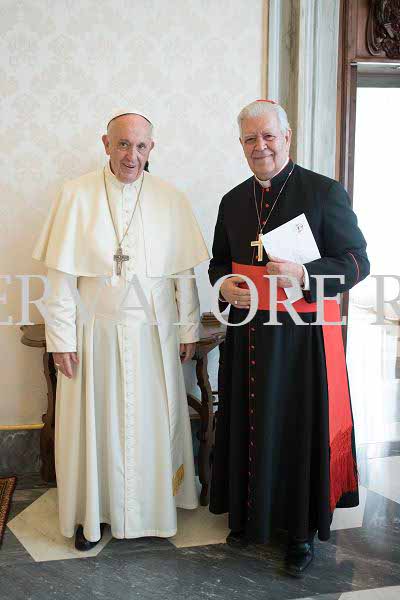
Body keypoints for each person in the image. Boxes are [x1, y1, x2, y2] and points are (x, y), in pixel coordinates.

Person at [33, 109, 209, 550]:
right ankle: (94, 515)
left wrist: (188, 328)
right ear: (106, 144)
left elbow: (183, 274)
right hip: (94, 335)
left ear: (152, 148)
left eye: (141, 146)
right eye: (124, 144)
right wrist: (61, 339)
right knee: (95, 426)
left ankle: (153, 512)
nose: (132, 155)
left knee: (152, 423)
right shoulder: (75, 195)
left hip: (153, 335)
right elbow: (60, 278)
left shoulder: (170, 198)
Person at [208, 99, 369, 576]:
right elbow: (219, 263)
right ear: (241, 144)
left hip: (302, 343)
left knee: (295, 428)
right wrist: (225, 285)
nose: (260, 146)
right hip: (248, 337)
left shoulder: (323, 192)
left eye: (268, 136)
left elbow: (357, 261)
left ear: (287, 137)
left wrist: (304, 273)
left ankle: (300, 531)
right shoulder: (233, 201)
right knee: (248, 421)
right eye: (250, 139)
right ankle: (248, 517)